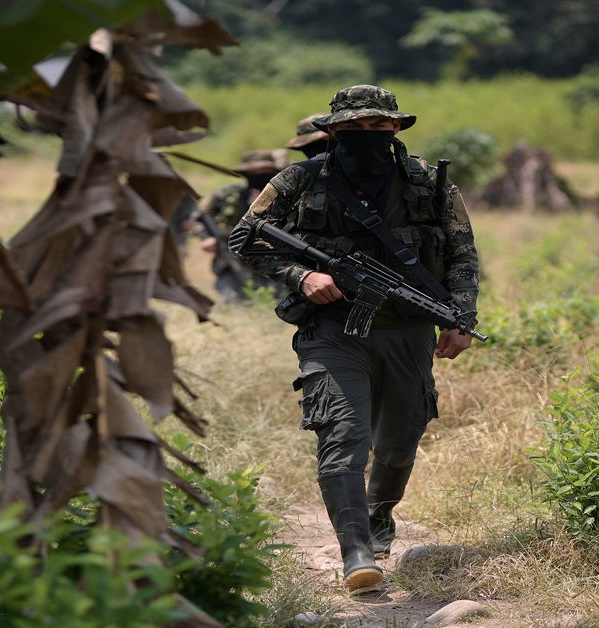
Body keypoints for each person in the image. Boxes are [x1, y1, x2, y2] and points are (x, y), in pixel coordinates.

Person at [228, 85, 480, 594]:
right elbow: (245, 237)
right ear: (334, 132)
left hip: (409, 331)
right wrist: (301, 276)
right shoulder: (299, 178)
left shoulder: (430, 183)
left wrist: (460, 318)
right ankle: (357, 552)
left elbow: (462, 254)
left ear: (395, 129)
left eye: (377, 128)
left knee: (399, 440)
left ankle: (378, 516)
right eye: (354, 129)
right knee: (343, 436)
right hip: (332, 332)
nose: (366, 137)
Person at [196, 149, 290, 302]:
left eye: (265, 172)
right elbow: (199, 216)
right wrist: (206, 238)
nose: (259, 177)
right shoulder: (228, 194)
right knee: (232, 300)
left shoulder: (287, 195)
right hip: (231, 261)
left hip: (276, 263)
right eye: (253, 173)